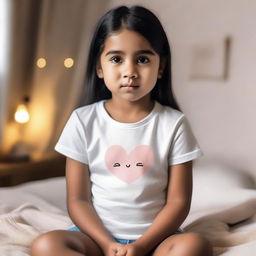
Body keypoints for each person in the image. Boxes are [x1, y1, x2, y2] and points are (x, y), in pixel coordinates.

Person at [31, 5, 213, 256]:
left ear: (160, 67)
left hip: (156, 241)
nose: (130, 71)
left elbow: (178, 203)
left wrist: (142, 246)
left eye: (142, 59)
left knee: (196, 246)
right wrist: (107, 244)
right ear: (99, 68)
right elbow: (78, 200)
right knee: (45, 245)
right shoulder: (82, 121)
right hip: (97, 239)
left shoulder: (174, 124)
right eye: (116, 59)